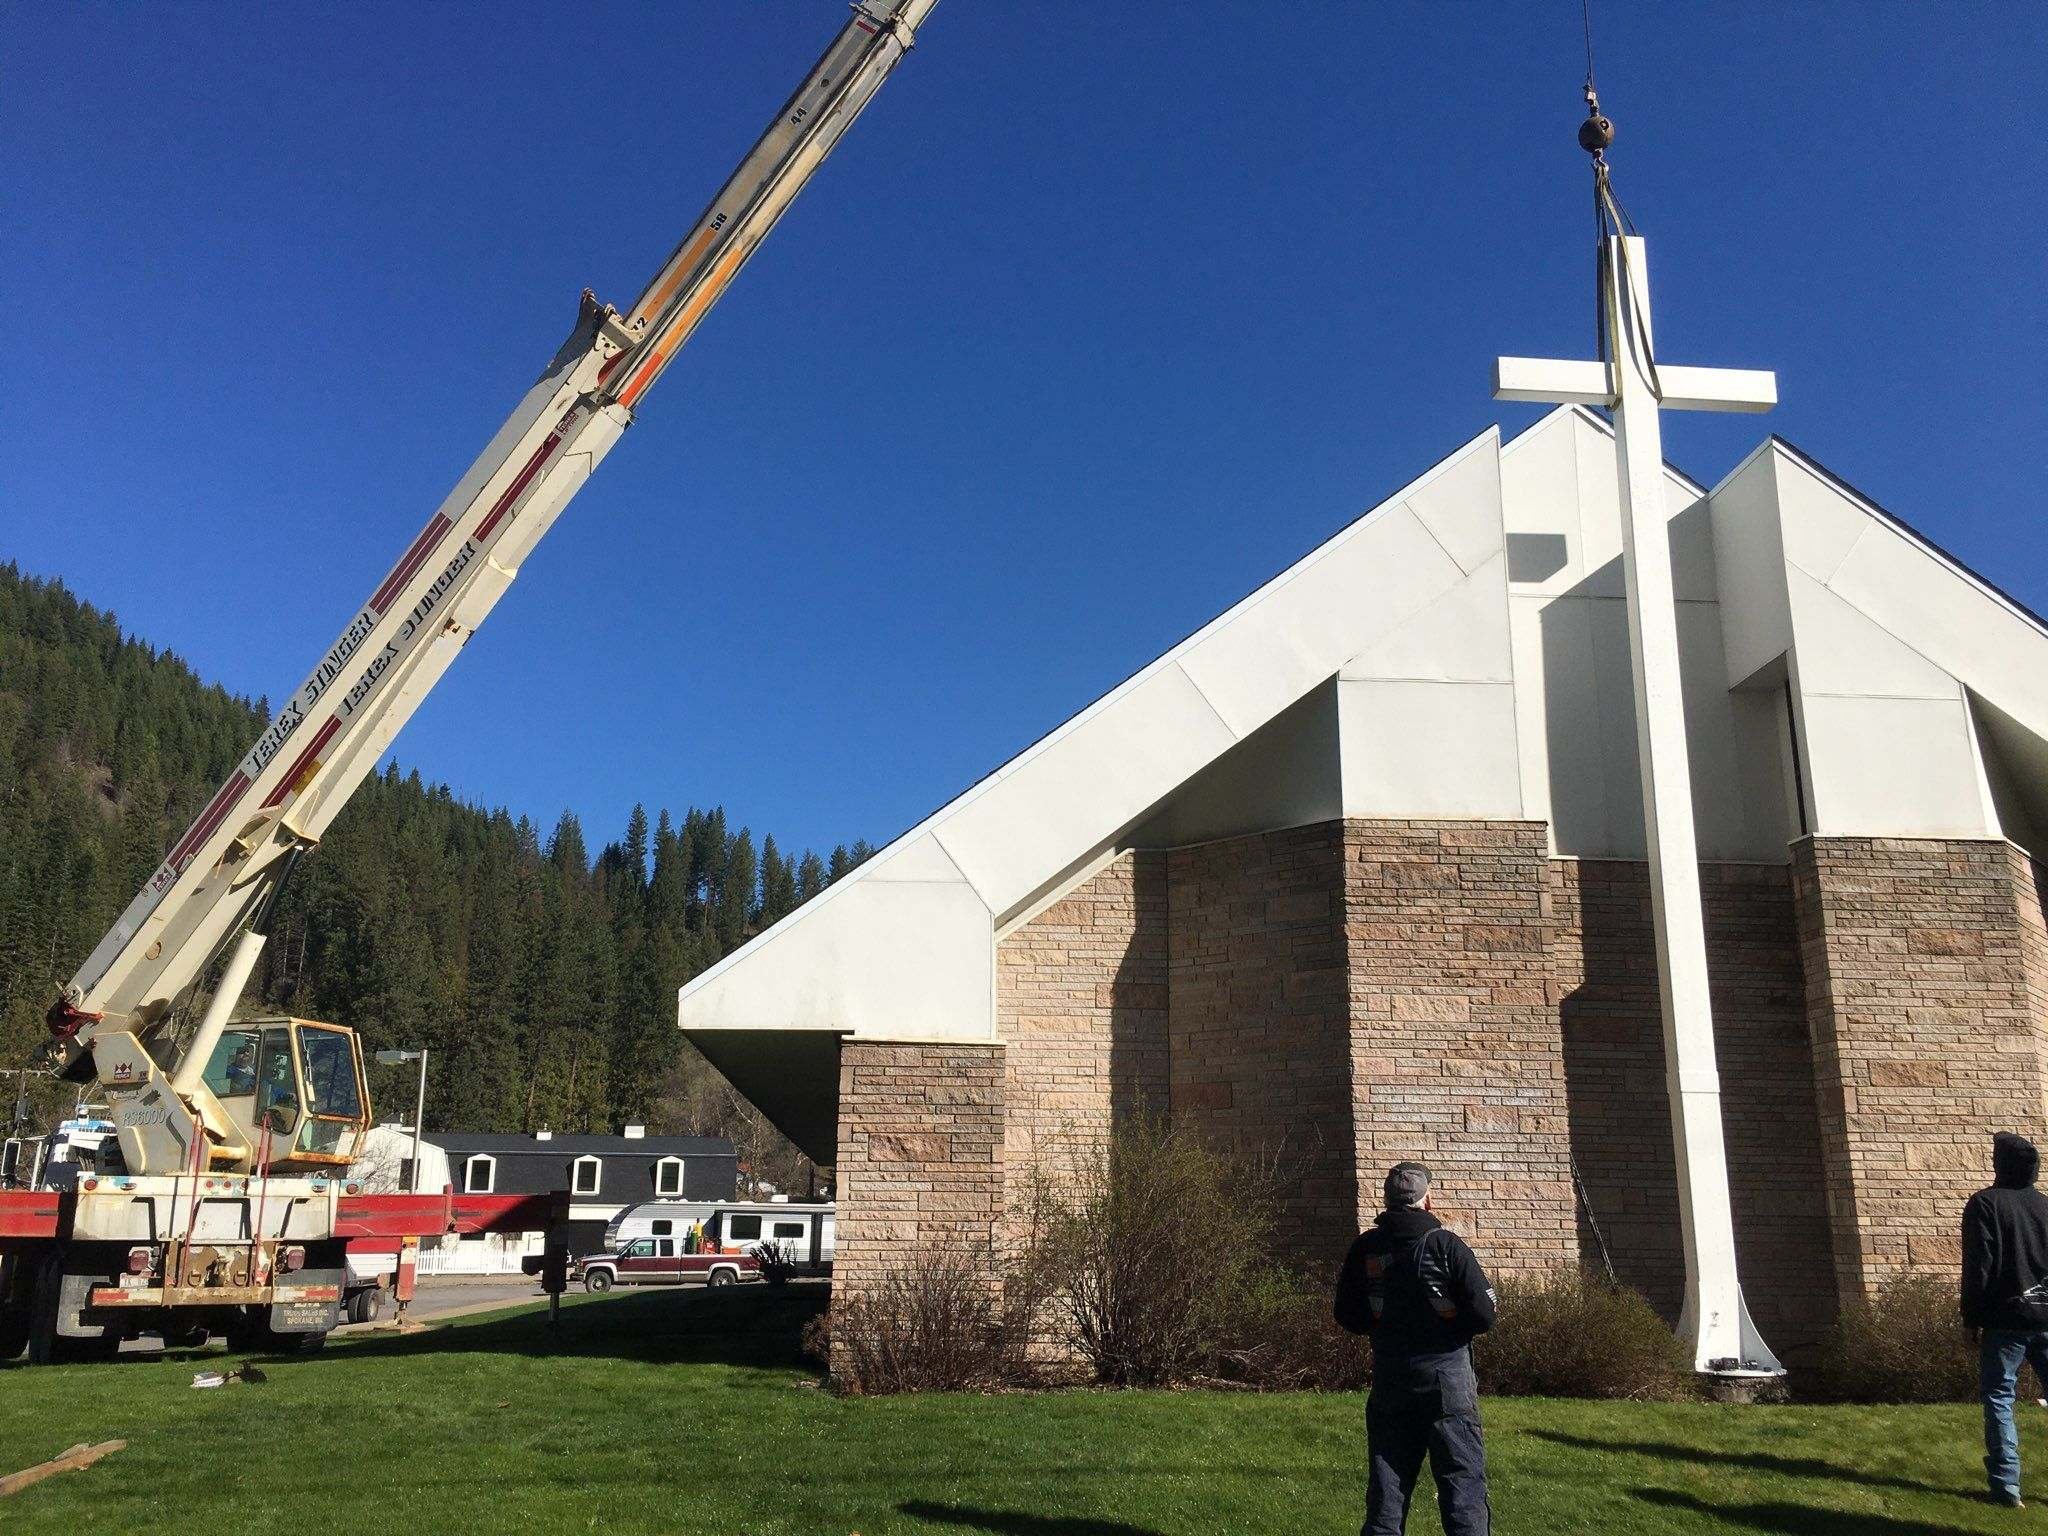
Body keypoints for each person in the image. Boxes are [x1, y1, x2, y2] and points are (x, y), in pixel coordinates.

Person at [1334, 1161, 1497, 1536]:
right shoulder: (1446, 1245)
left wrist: (1378, 1322)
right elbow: (1485, 1315)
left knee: (1386, 1494)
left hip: (1391, 1378)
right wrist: (1453, 1323)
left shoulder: (1366, 1248)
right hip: (1448, 1381)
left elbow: (1348, 1314)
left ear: (1387, 1200)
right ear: (1428, 1201)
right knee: (1462, 1489)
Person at [1963, 1131, 2048, 1509]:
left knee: (1999, 1398)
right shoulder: (2045, 1207)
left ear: (2000, 1163)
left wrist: (1972, 1317)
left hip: (2005, 1318)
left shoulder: (1985, 1204)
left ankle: (2006, 1486)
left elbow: (1979, 1266)